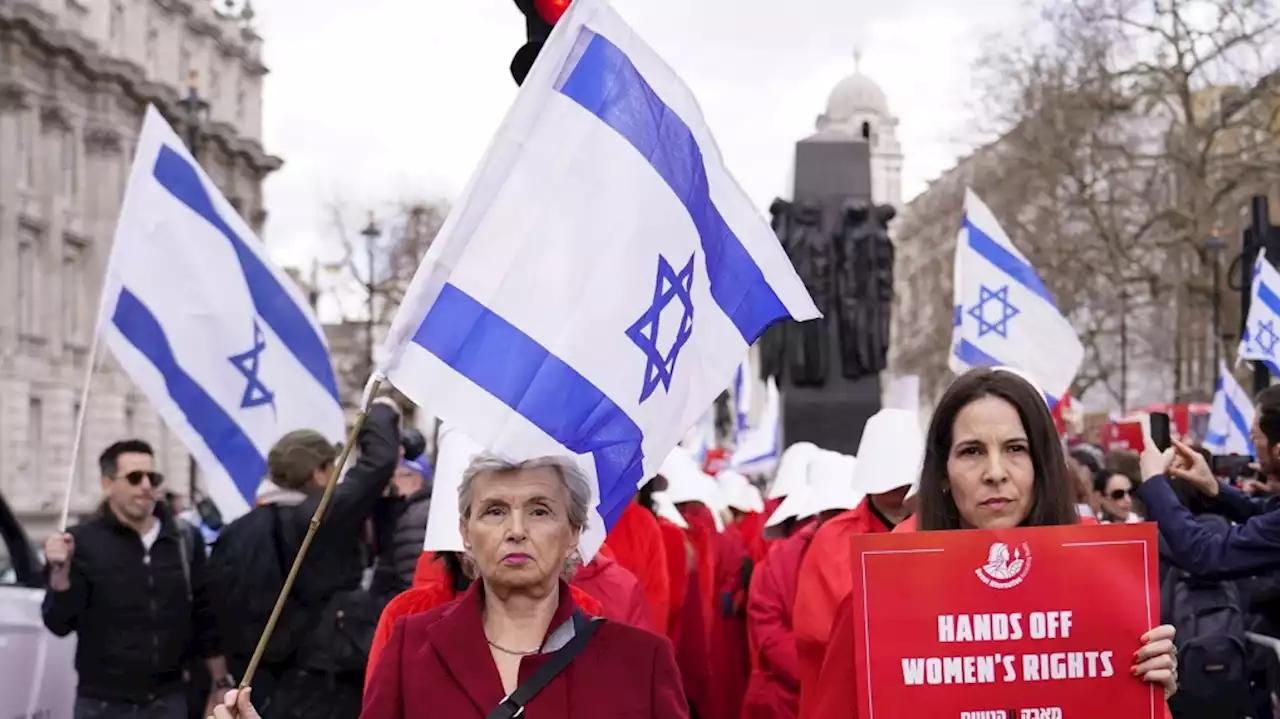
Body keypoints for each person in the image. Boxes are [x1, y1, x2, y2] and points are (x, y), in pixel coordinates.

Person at [801, 368, 1179, 718]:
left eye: (1015, 449)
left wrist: (1149, 687)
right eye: (972, 451)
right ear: (943, 472)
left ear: (1040, 465)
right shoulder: (880, 592)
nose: (995, 473)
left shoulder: (1103, 577)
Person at [224, 451, 687, 719]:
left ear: (573, 534)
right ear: (465, 534)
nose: (516, 529)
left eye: (540, 510)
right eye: (494, 510)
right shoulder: (411, 647)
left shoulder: (641, 663)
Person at [44, 440, 231, 719]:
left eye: (152, 478)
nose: (146, 486)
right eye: (134, 478)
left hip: (169, 700)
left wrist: (219, 681)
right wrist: (59, 572)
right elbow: (59, 623)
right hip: (103, 703)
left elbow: (204, 615)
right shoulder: (82, 542)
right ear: (108, 484)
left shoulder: (183, 539)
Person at [792, 409, 921, 710]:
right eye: (887, 484)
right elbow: (820, 631)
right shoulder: (834, 537)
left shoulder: (943, 529)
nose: (896, 492)